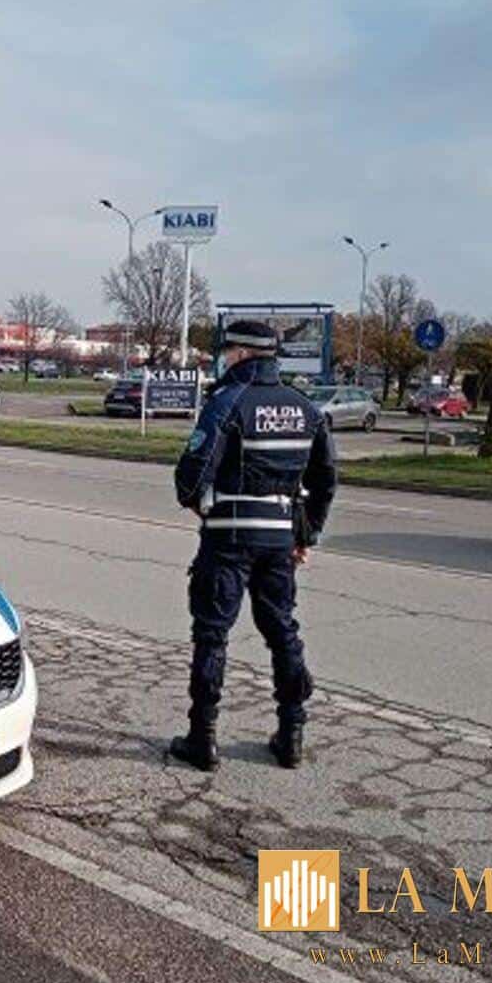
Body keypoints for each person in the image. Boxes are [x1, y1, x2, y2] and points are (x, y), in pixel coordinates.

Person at [169, 319, 338, 771]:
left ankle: (202, 739)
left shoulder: (228, 401)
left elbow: (191, 475)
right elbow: (325, 481)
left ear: (241, 354)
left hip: (228, 538)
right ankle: (291, 735)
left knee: (212, 634)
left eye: (227, 353)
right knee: (282, 630)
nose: (224, 359)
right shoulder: (305, 407)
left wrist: (199, 506)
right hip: (280, 540)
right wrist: (306, 535)